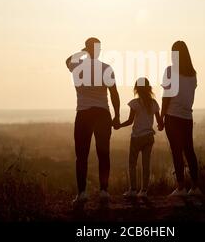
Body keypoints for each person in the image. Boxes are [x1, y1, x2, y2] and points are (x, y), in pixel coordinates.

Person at [66, 37, 120, 204]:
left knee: (81, 156)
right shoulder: (106, 68)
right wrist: (117, 115)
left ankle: (82, 193)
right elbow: (114, 94)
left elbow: (67, 59)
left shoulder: (76, 66)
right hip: (102, 113)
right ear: (98, 50)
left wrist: (83, 51)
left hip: (84, 114)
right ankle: (104, 191)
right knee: (103, 154)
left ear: (86, 49)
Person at [161, 41, 203, 197]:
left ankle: (180, 188)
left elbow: (166, 97)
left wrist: (161, 116)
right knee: (189, 151)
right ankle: (195, 187)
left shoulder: (170, 71)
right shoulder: (193, 74)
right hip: (187, 117)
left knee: (176, 152)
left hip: (172, 116)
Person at [116, 77, 163, 198]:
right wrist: (162, 125)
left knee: (132, 163)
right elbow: (160, 122)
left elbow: (130, 121)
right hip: (149, 136)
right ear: (148, 88)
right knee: (146, 164)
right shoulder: (154, 103)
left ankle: (133, 189)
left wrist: (119, 125)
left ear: (137, 88)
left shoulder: (135, 103)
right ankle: (144, 191)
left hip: (137, 137)